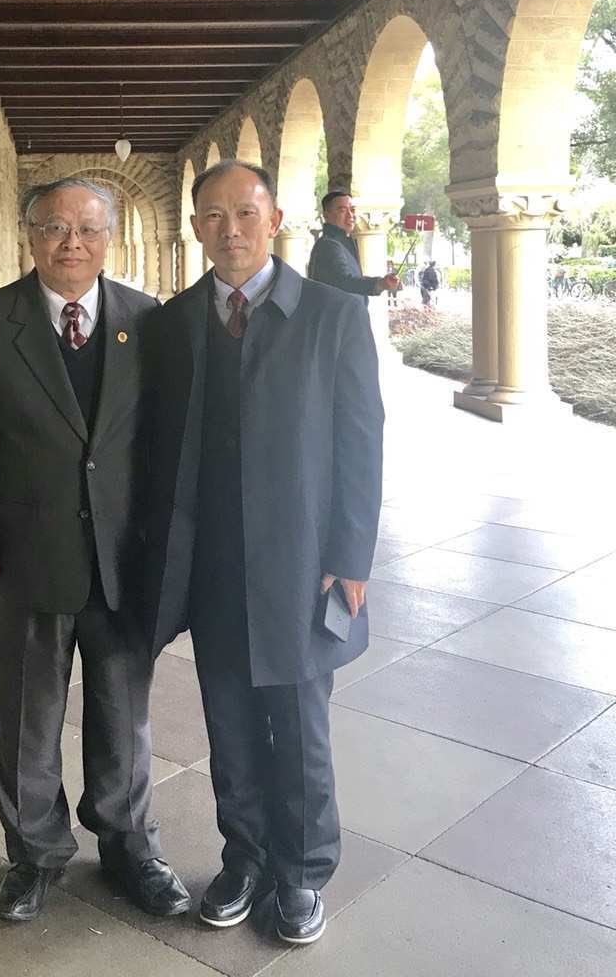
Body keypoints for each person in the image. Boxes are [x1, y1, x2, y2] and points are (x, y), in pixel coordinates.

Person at [144, 161, 383, 948]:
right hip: (214, 561)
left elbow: (361, 440)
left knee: (300, 721)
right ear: (196, 228)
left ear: (274, 219)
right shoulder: (176, 323)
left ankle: (303, 871)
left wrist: (352, 554)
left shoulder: (331, 315)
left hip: (303, 560)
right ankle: (244, 858)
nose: (231, 230)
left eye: (245, 212)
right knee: (230, 719)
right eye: (213, 216)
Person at [0, 178, 188, 924]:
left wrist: (167, 540)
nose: (71, 243)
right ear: (31, 236)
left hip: (123, 556)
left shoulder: (147, 320)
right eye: (54, 228)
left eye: (87, 229)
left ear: (108, 238)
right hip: (27, 551)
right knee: (26, 714)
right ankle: (35, 855)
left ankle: (129, 847)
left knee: (124, 712)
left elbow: (164, 441)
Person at [307, 192, 401, 302]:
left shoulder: (341, 243)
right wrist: (380, 284)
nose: (350, 215)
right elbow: (343, 281)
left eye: (352, 210)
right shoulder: (329, 245)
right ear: (326, 214)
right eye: (342, 210)